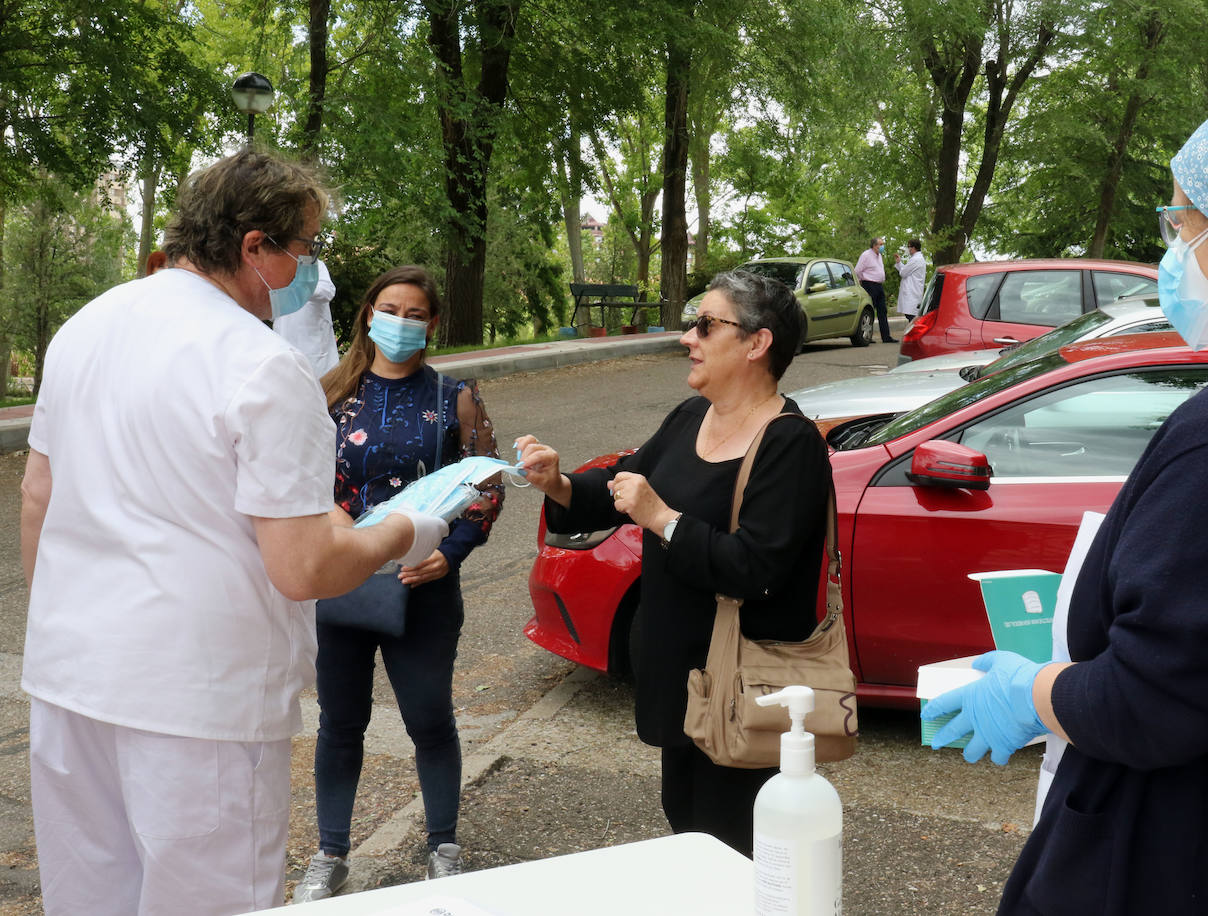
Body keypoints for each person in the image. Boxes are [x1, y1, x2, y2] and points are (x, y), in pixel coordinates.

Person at [921, 78, 1208, 913]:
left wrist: (1031, 691)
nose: (1172, 250)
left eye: (1180, 224)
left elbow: (1161, 702)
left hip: (1197, 863)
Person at [19, 149, 449, 914]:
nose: (310, 273)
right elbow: (305, 567)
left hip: (70, 672)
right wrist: (406, 530)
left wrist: (67, 621)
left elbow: (38, 495)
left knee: (89, 895)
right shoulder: (260, 365)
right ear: (256, 247)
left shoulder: (86, 328)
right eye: (306, 249)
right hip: (198, 700)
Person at [515, 270, 832, 856]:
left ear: (756, 343)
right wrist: (559, 482)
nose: (689, 336)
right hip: (682, 679)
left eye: (707, 325)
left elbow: (756, 569)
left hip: (742, 690)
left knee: (735, 841)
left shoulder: (791, 444)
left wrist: (664, 519)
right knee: (687, 821)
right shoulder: (692, 416)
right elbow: (624, 483)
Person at [294, 266, 504, 901]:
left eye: (416, 314)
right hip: (343, 583)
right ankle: (330, 852)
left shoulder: (456, 398)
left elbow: (485, 487)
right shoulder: (329, 394)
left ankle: (443, 846)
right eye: (392, 309)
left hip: (425, 587)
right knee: (339, 722)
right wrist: (332, 523)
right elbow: (300, 480)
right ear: (367, 314)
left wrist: (452, 553)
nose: (402, 323)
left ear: (432, 324)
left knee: (430, 719)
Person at [275, 258, 341, 377]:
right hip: (285, 349)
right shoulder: (277, 267)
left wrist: (299, 288)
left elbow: (327, 291)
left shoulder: (313, 265)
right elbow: (272, 311)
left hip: (316, 354)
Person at [854, 236, 896, 342]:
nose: (882, 246)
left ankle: (886, 336)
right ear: (874, 246)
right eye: (880, 244)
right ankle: (867, 336)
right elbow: (857, 270)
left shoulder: (879, 255)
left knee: (882, 311)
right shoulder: (866, 255)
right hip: (869, 285)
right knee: (869, 311)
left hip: (879, 286)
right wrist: (860, 281)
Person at [894, 238, 925, 329]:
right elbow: (906, 270)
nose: (908, 249)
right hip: (913, 292)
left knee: (912, 317)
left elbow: (903, 273)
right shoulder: (916, 259)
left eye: (909, 247)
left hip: (912, 293)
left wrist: (900, 264)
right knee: (910, 316)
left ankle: (915, 337)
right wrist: (899, 263)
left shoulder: (916, 259)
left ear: (913, 248)